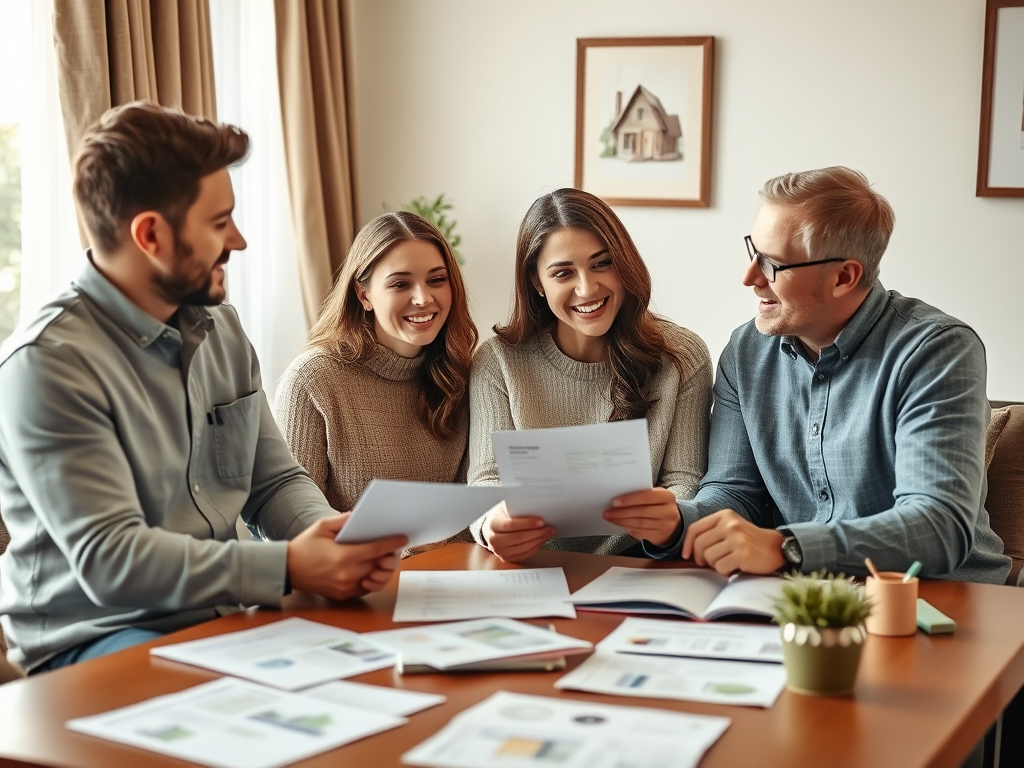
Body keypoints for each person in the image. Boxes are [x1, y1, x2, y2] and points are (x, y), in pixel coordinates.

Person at [0, 101, 407, 674]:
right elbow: (111, 559)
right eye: (219, 223)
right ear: (150, 234)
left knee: (389, 676)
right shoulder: (47, 364)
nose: (238, 241)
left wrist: (329, 540)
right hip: (96, 639)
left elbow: (274, 482)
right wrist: (290, 567)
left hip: (223, 615)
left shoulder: (223, 328)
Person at [663, 166, 1008, 584]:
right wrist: (676, 521)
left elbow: (937, 527)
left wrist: (785, 547)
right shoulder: (746, 351)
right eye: (752, 251)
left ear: (844, 277)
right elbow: (735, 494)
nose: (750, 278)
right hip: (806, 599)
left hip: (944, 602)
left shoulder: (937, 350)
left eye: (772, 264)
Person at [468, 188, 713, 563]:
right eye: (563, 272)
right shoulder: (498, 361)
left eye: (602, 264)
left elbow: (684, 481)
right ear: (536, 282)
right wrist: (492, 523)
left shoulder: (682, 357)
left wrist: (666, 514)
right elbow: (486, 481)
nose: (587, 288)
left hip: (640, 564)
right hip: (533, 565)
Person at [273, 211, 478, 552]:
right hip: (354, 587)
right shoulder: (312, 380)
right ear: (364, 295)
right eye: (400, 283)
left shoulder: (462, 374)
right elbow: (292, 529)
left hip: (452, 579)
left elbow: (477, 509)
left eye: (436, 280)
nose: (423, 298)